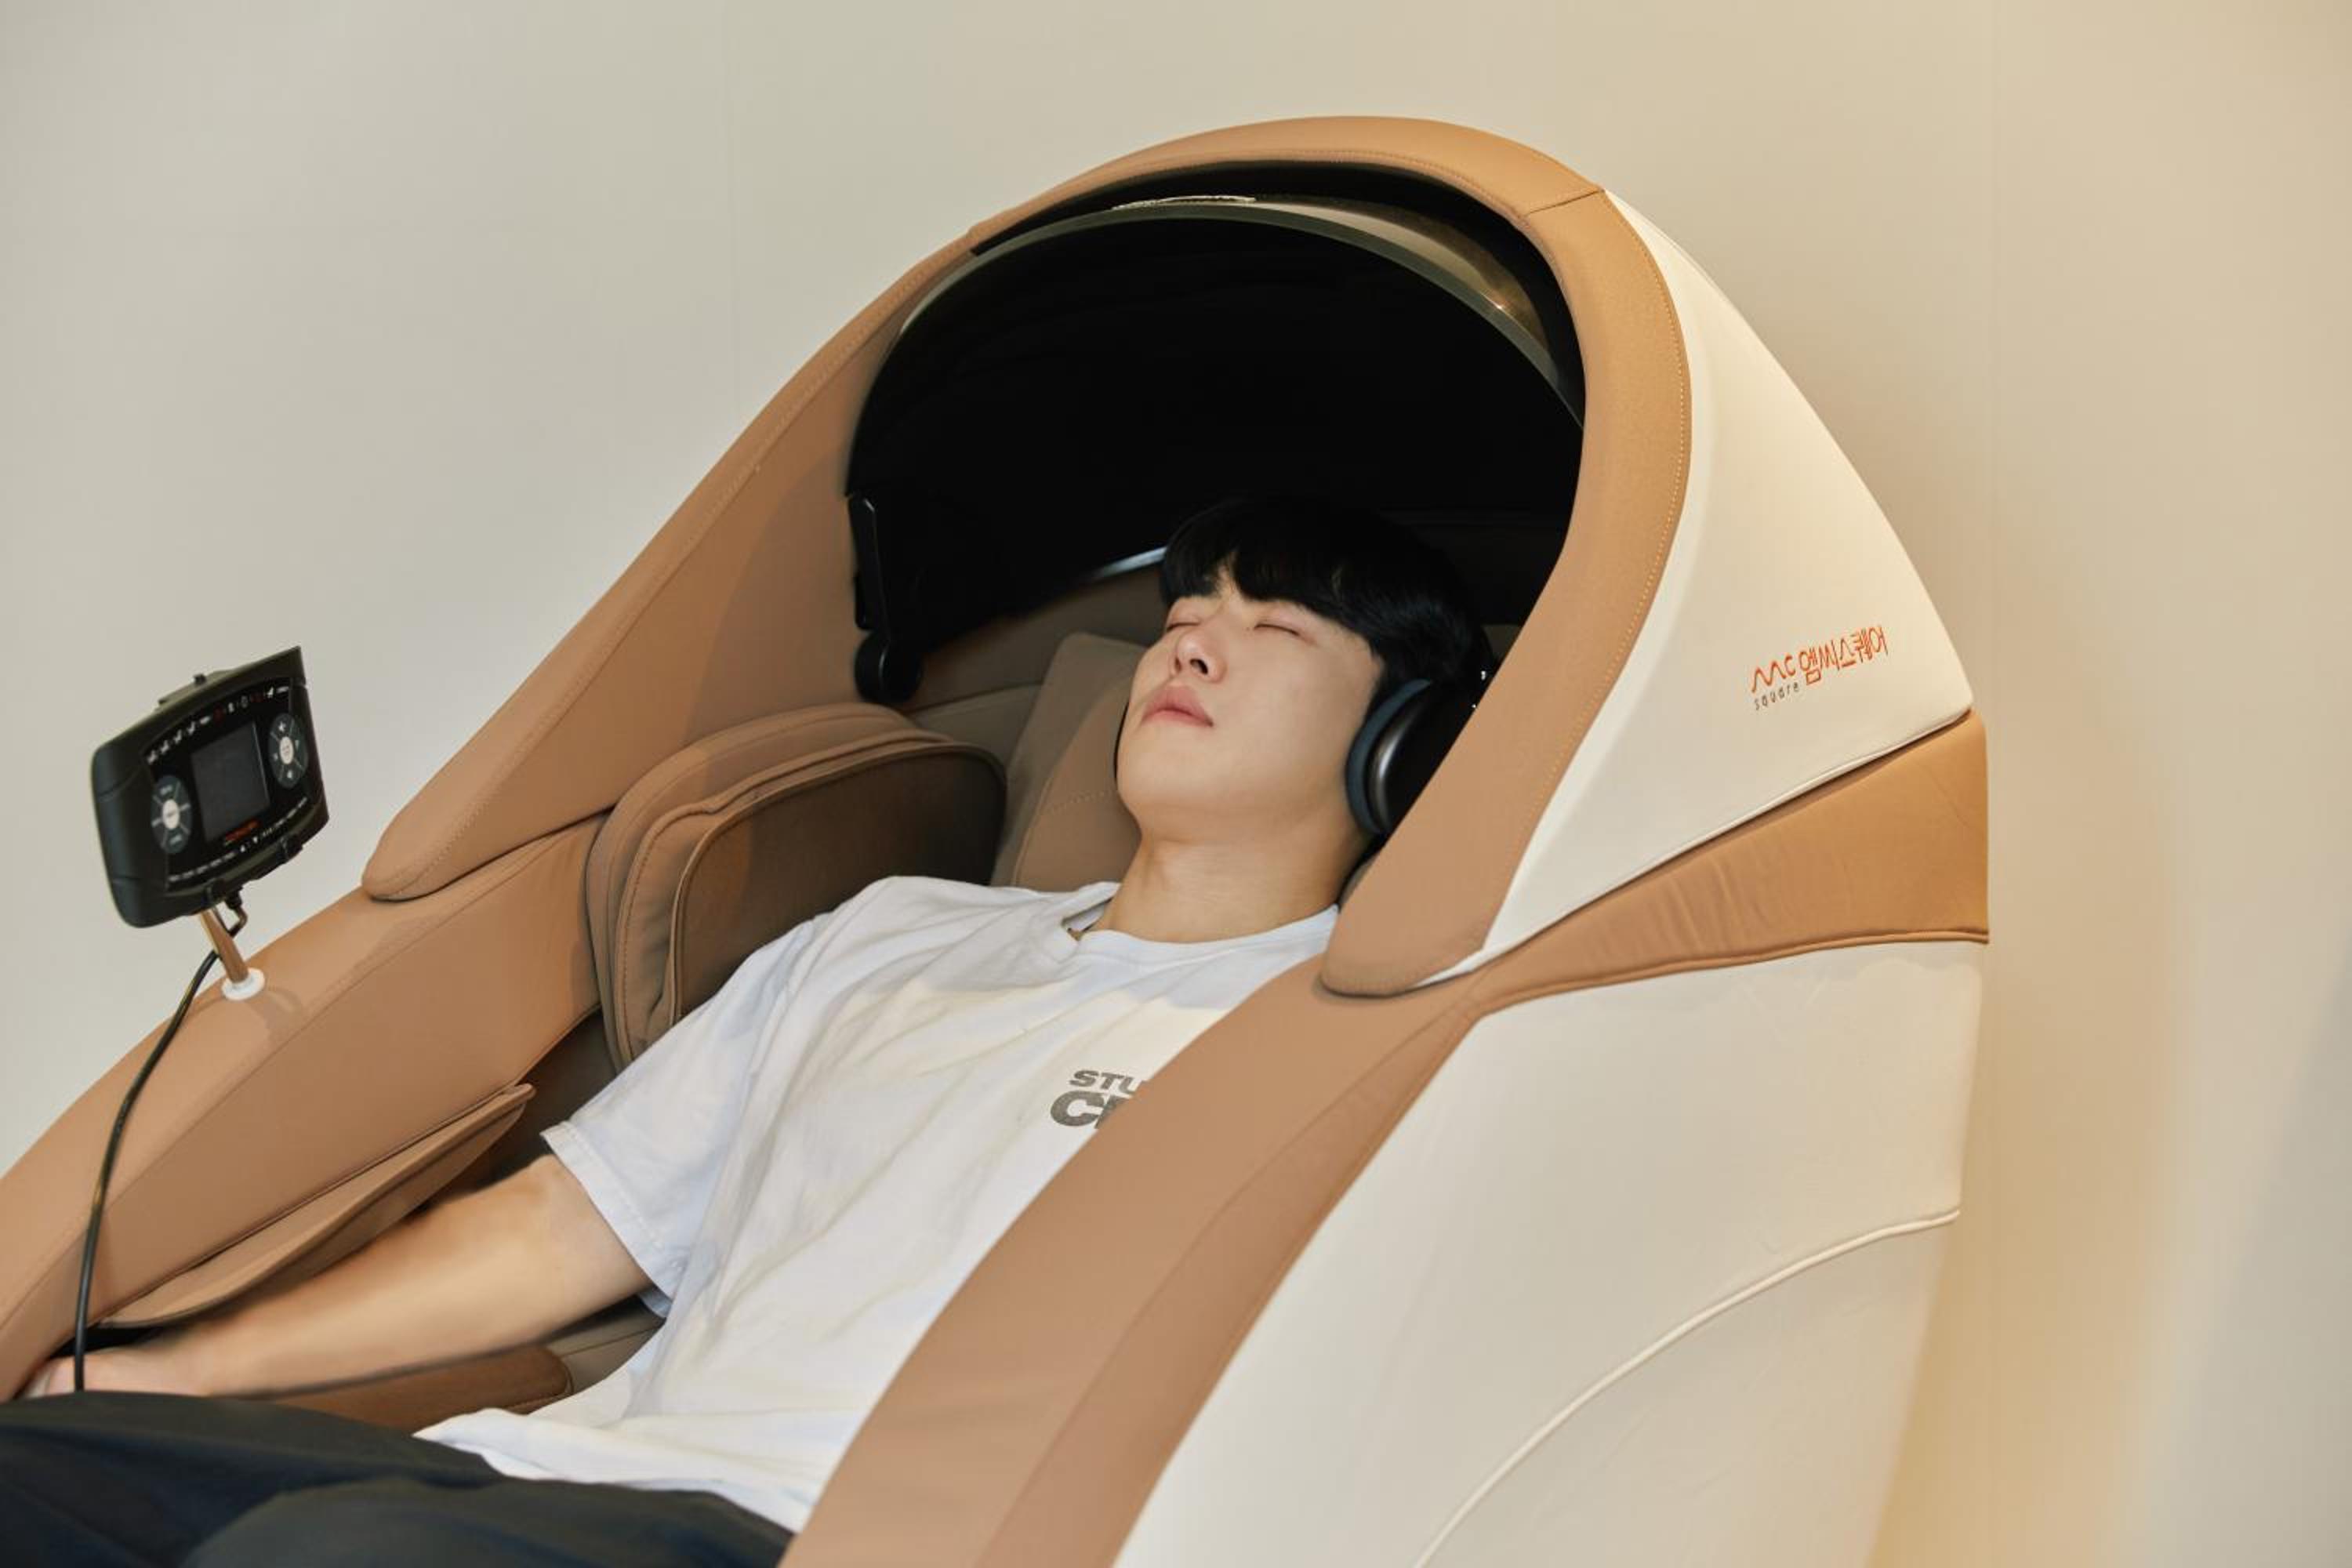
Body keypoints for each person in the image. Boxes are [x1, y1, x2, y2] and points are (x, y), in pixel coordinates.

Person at [1, 492, 1492, 1565]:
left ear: (1400, 743)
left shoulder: (1348, 1041)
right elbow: (560, 1229)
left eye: (1272, 626)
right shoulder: (896, 932)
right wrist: (172, 1371)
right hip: (547, 1476)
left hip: (801, 1529)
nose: (1190, 651)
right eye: (1181, 619)